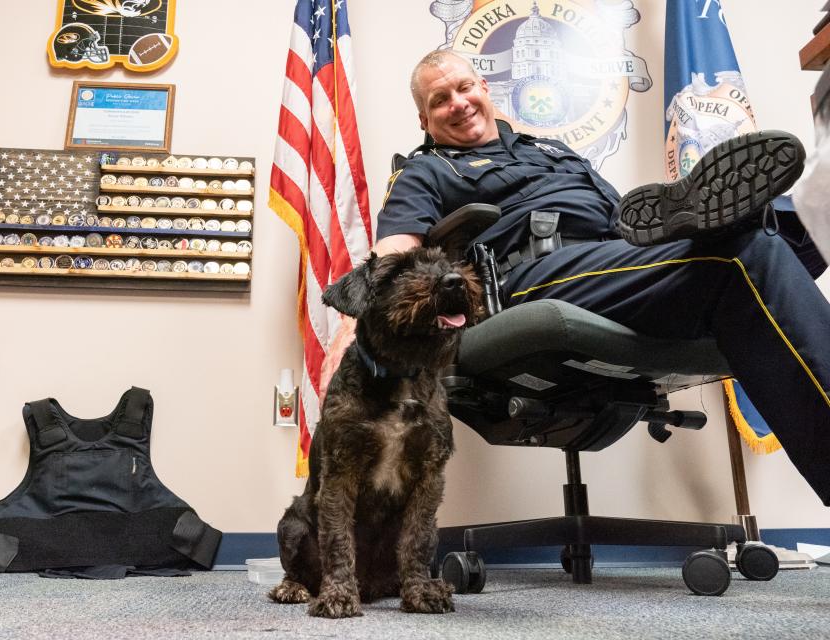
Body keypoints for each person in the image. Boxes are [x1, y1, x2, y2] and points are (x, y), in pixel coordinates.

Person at [323, 49, 830, 507]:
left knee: (772, 246)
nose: (458, 103)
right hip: (530, 279)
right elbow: (394, 258)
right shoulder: (427, 171)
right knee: (748, 256)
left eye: (465, 87)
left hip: (618, 261)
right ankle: (737, 221)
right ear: (425, 119)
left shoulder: (557, 153)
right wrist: (354, 332)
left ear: (484, 88)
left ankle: (733, 220)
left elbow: (625, 222)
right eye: (440, 100)